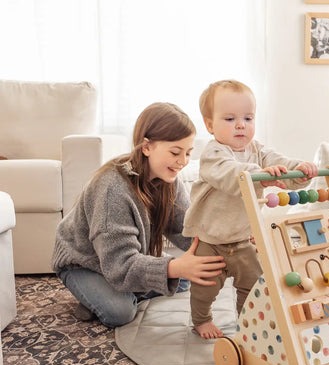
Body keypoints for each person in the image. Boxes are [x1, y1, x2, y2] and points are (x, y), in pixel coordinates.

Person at [52, 102, 226, 328]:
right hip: (84, 262)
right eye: (175, 152)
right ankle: (101, 294)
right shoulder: (111, 190)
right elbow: (119, 264)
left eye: (188, 153)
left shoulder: (169, 180)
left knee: (184, 281)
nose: (183, 161)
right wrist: (172, 268)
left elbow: (188, 229)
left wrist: (226, 241)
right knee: (120, 312)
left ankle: (119, 287)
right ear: (147, 147)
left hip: (122, 258)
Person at [182, 80, 318, 339]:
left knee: (254, 284)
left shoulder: (258, 150)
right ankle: (201, 319)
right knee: (204, 287)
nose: (241, 125)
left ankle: (248, 323)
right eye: (230, 118)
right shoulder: (213, 153)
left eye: (248, 117)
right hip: (211, 240)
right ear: (210, 125)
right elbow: (230, 175)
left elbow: (279, 163)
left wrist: (300, 171)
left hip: (243, 239)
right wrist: (261, 176)